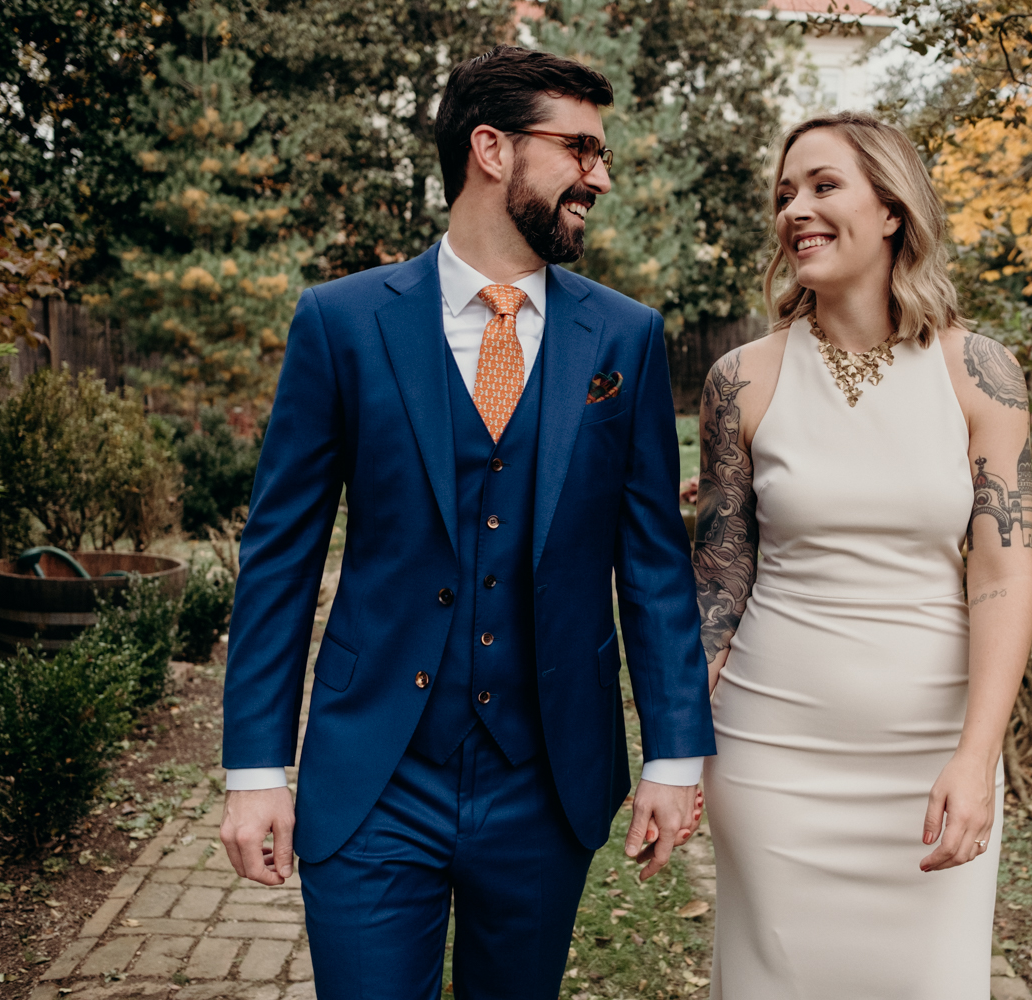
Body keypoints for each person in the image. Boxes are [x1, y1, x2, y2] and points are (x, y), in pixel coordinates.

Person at [218, 45, 715, 1000]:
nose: (599, 176)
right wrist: (253, 769)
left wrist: (674, 755)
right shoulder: (343, 321)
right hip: (374, 778)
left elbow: (653, 563)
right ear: (493, 148)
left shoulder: (624, 337)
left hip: (544, 781)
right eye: (580, 149)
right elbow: (278, 557)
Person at [695, 111, 1032, 998]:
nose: (795, 210)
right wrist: (676, 747)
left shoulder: (981, 374)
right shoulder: (741, 380)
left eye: (822, 185)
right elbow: (720, 582)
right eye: (784, 195)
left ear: (891, 209)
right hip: (770, 757)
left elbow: (1003, 578)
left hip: (931, 759)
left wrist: (976, 758)